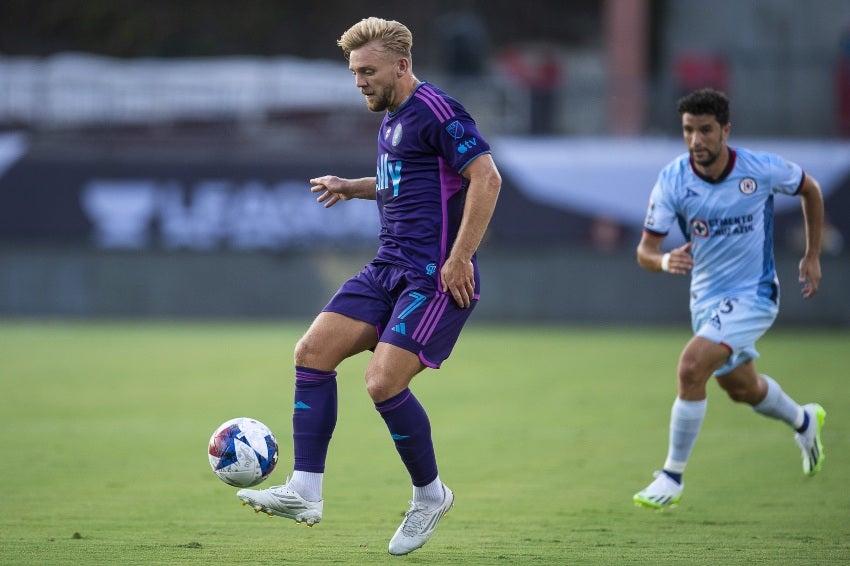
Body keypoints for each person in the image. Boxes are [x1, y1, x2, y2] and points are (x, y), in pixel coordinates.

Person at [235, 17, 501, 555]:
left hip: (432, 276)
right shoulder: (391, 117)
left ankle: (430, 496)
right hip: (386, 268)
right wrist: (352, 186)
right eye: (354, 72)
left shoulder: (438, 111)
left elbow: (486, 177)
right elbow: (402, 180)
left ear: (401, 66)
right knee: (311, 353)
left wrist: (460, 258)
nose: (359, 81)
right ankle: (305, 490)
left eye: (368, 71)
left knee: (382, 383)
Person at [633, 88, 826, 509]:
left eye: (705, 130)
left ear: (725, 130)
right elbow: (645, 250)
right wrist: (665, 262)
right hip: (706, 299)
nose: (696, 140)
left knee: (690, 368)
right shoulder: (673, 179)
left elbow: (810, 189)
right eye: (688, 130)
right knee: (742, 388)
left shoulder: (760, 169)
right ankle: (804, 419)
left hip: (755, 295)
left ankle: (671, 476)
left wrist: (811, 256)